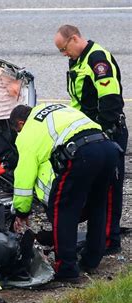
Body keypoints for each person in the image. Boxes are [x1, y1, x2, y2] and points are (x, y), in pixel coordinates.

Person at [10, 103, 120, 281]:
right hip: (107, 147)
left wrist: (22, 211)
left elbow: (24, 176)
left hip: (81, 153)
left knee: (63, 210)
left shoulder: (27, 133)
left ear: (20, 124)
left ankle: (67, 269)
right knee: (97, 206)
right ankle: (92, 260)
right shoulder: (53, 109)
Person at [54, 25, 127, 254]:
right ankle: (100, 238)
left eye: (64, 49)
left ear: (74, 39)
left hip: (107, 132)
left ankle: (109, 240)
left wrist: (103, 134)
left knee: (109, 189)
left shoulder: (97, 59)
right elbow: (79, 101)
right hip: (90, 132)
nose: (64, 54)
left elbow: (111, 101)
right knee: (96, 187)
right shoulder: (76, 60)